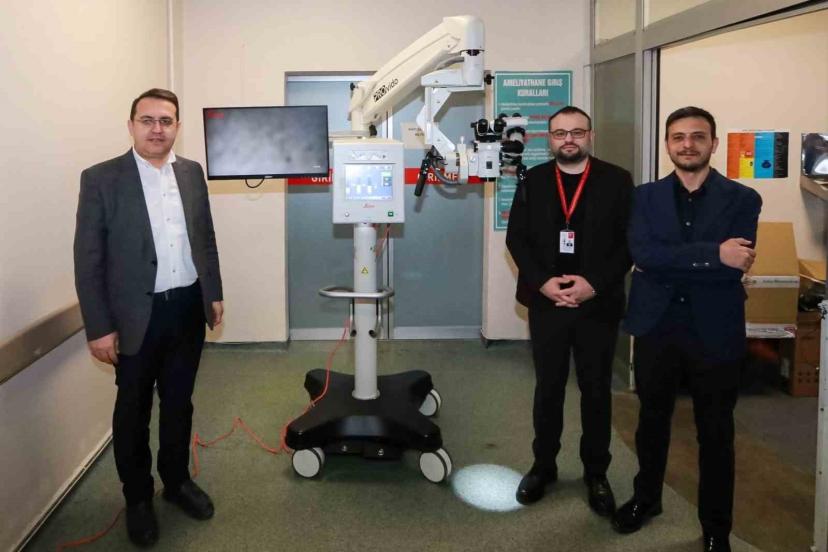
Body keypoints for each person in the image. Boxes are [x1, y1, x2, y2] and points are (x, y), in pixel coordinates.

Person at [74, 88, 224, 547]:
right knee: (133, 410)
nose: (157, 129)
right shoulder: (101, 178)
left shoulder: (191, 173)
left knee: (179, 403)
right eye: (147, 120)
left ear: (177, 126)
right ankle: (138, 498)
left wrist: (214, 293)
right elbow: (88, 258)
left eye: (166, 120)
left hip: (187, 308)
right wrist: (100, 327)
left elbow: (205, 237)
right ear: (131, 125)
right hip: (135, 316)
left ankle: (176, 482)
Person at [612, 106, 761, 552]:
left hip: (715, 331)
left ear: (713, 143)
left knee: (716, 432)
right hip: (657, 327)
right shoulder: (643, 197)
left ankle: (716, 527)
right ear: (667, 144)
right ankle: (646, 498)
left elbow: (734, 265)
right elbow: (644, 254)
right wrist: (714, 253)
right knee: (651, 421)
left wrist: (678, 259)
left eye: (698, 136)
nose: (688, 144)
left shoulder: (743, 198)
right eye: (678, 137)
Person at [506, 106, 633, 515]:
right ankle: (543, 466)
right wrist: (543, 282)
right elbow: (516, 239)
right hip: (548, 303)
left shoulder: (617, 180)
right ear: (549, 139)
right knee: (549, 388)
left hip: (597, 302)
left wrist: (592, 284)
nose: (569, 140)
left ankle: (596, 472)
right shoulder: (534, 180)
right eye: (560, 133)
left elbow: (628, 243)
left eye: (577, 132)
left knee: (596, 390)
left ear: (590, 136)